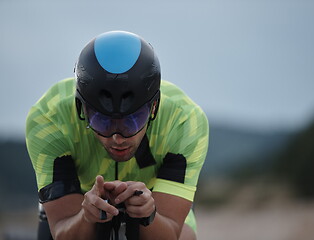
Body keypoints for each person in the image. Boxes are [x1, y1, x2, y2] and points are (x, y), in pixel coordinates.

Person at [25, 30, 209, 240]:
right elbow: (63, 231)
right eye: (101, 120)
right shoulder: (49, 118)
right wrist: (86, 217)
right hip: (79, 205)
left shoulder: (184, 121)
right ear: (81, 108)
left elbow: (170, 233)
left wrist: (148, 215)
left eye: (133, 120)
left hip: (156, 202)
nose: (117, 137)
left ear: (154, 107)